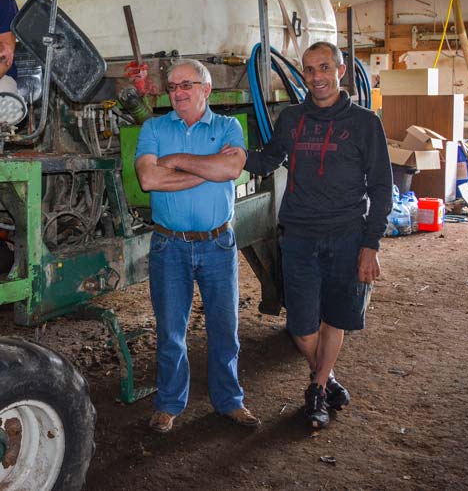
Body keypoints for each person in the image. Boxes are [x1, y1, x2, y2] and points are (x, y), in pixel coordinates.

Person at [244, 41, 392, 429]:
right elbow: (266, 159)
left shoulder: (364, 123)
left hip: (347, 234)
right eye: (309, 70)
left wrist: (370, 245)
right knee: (301, 325)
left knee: (335, 317)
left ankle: (316, 390)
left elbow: (380, 187)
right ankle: (324, 379)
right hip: (299, 236)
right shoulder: (292, 119)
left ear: (340, 71)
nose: (316, 77)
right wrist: (227, 150)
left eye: (324, 67)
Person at [135, 60, 260, 433]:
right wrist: (206, 169)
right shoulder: (153, 127)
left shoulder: (228, 126)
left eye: (186, 84)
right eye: (172, 86)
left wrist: (175, 164)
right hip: (168, 245)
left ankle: (229, 401)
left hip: (217, 243)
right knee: (171, 329)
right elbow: (147, 178)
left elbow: (232, 170)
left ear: (206, 89)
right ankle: (169, 404)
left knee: (225, 327)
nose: (178, 92)